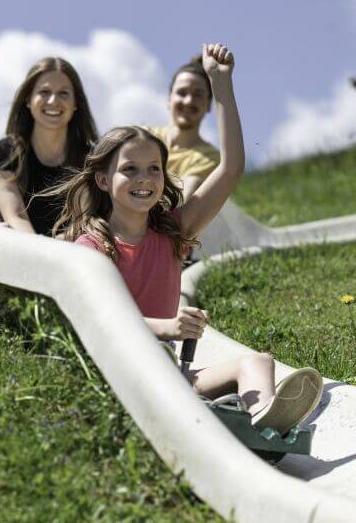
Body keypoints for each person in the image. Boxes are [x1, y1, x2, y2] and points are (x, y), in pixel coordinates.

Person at [50, 44, 322, 434]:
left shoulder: (173, 233)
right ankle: (241, 418)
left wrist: (221, 84)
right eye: (130, 169)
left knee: (257, 362)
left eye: (154, 169)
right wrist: (168, 327)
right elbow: (104, 319)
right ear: (104, 180)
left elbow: (231, 168)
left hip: (169, 376)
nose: (144, 179)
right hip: (114, 376)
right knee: (170, 371)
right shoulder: (91, 247)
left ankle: (264, 419)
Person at [0, 57, 99, 236]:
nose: (53, 101)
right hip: (24, 249)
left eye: (63, 93)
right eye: (44, 92)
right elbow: (15, 217)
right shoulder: (2, 155)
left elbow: (85, 225)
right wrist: (44, 251)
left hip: (75, 250)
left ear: (76, 103)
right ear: (28, 100)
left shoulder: (93, 159)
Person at [145, 55, 220, 203]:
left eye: (198, 95)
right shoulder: (144, 137)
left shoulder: (210, 157)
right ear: (169, 98)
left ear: (209, 104)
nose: (188, 101)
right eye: (182, 92)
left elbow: (182, 201)